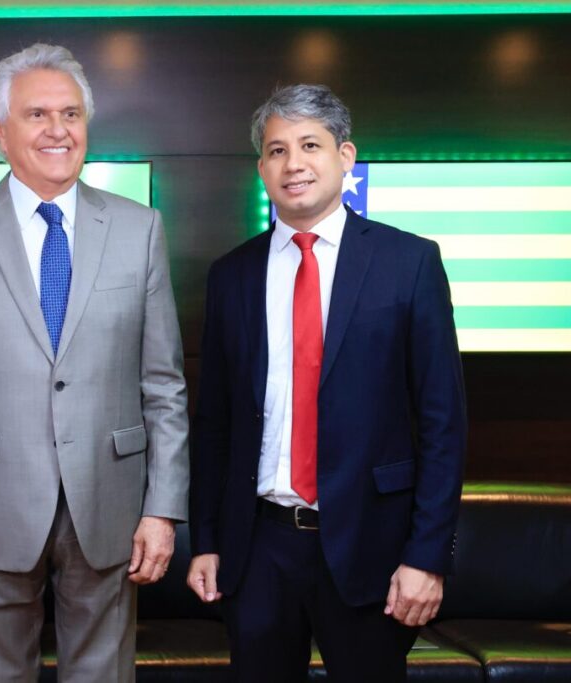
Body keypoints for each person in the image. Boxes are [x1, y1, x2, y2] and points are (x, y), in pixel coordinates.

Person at [0, 43, 189, 682]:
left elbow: (164, 385)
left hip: (111, 504)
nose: (57, 130)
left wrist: (162, 509)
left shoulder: (140, 228)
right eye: (36, 114)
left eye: (71, 114)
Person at [187, 84, 466, 682]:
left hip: (373, 546)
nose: (294, 163)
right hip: (257, 547)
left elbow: (443, 424)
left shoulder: (408, 263)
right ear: (262, 168)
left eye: (310, 145)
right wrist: (206, 540)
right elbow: (214, 423)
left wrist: (426, 556)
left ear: (345, 156)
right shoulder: (232, 274)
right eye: (277, 150)